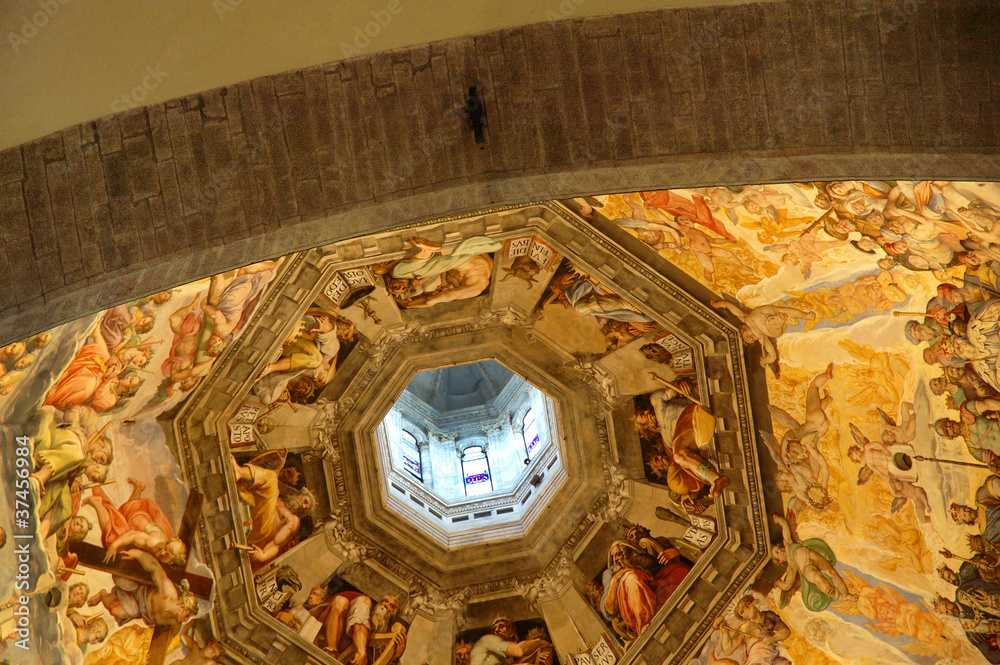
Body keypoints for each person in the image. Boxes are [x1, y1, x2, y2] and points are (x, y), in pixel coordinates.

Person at [635, 377, 729, 507]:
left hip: (695, 414)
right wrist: (687, 493)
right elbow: (682, 467)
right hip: (694, 434)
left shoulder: (657, 402)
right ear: (644, 427)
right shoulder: (667, 441)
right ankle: (717, 479)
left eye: (642, 411)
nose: (646, 412)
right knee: (679, 457)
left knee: (678, 454)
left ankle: (716, 478)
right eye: (642, 416)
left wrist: (680, 384)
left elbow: (672, 391)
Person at [230, 453, 314, 564]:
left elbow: (276, 544)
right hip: (251, 512)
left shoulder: (294, 520)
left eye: (305, 509)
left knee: (272, 479)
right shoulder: (279, 499)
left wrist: (263, 556)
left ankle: (239, 472)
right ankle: (239, 474)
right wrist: (279, 466)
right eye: (305, 502)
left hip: (258, 533)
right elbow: (265, 482)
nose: (302, 506)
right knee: (266, 483)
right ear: (299, 495)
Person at [83, 477, 187, 566]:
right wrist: (114, 546)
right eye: (165, 548)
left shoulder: (162, 554)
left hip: (146, 525)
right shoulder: (153, 543)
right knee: (114, 534)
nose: (163, 552)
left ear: (170, 562)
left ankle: (138, 488)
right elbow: (132, 535)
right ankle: (98, 504)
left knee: (125, 515)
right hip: (137, 520)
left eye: (167, 555)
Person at [87, 549, 198, 628]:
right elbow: (155, 567)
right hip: (140, 591)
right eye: (187, 615)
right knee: (119, 577)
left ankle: (103, 595)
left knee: (115, 610)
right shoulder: (168, 593)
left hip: (138, 608)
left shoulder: (175, 622)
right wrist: (137, 554)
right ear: (182, 608)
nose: (185, 620)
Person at [771, 514, 857, 611]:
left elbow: (784, 524)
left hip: (811, 554)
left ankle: (845, 594)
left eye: (778, 548)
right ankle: (827, 589)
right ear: (780, 561)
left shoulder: (788, 543)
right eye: (777, 553)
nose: (780, 551)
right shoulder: (791, 568)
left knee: (831, 572)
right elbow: (787, 585)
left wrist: (777, 519)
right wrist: (777, 583)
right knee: (816, 576)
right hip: (806, 568)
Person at [389, 236, 501, 308]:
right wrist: (409, 305)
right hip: (460, 258)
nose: (439, 290)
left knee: (409, 271)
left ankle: (427, 251)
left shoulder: (471, 279)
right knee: (398, 273)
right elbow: (429, 301)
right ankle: (427, 250)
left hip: (467, 254)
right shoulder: (475, 289)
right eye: (440, 292)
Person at [710, 299, 815, 372]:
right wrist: (763, 361)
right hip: (772, 329)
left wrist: (716, 304)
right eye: (752, 340)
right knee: (771, 321)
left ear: (744, 328)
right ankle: (780, 320)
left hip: (762, 314)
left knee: (780, 310)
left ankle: (805, 315)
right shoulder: (762, 338)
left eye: (747, 336)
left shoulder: (745, 318)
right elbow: (772, 356)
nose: (751, 338)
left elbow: (729, 306)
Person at [315, 592, 406, 665]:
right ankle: (331, 651)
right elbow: (359, 625)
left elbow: (377, 661)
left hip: (345, 657)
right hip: (321, 636)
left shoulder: (385, 634)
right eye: (385, 601)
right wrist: (362, 652)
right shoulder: (365, 604)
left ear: (393, 614)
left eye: (392, 606)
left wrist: (394, 656)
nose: (386, 605)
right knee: (341, 601)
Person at [468, 617, 553, 665]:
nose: (496, 630)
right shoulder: (488, 639)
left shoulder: (507, 658)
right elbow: (520, 650)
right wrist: (539, 642)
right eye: (495, 628)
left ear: (511, 632)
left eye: (501, 626)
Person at [950, 473, 1000, 544]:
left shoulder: (981, 499)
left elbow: (992, 482)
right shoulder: (986, 535)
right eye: (964, 515)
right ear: (966, 522)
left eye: (964, 509)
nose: (967, 512)